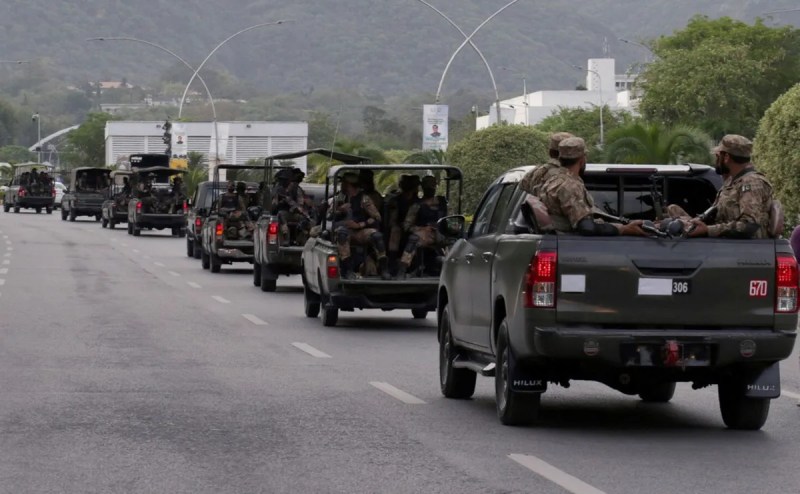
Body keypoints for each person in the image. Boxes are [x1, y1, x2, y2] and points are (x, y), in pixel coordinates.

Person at [537, 137, 646, 236]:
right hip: (571, 245)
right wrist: (623, 229)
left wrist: (619, 225)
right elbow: (587, 228)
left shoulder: (552, 180)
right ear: (582, 160)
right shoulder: (571, 185)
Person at [687, 135, 774, 239]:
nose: (716, 160)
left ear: (726, 157)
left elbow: (749, 225)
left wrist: (708, 230)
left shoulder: (751, 183)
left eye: (718, 156)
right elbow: (717, 215)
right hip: (730, 248)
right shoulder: (731, 182)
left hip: (748, 251)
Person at [333, 172, 390, 280]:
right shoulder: (339, 198)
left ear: (349, 184)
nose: (342, 186)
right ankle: (348, 270)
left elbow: (377, 217)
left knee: (377, 236)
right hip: (344, 230)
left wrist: (360, 224)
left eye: (344, 183)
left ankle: (384, 269)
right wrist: (338, 211)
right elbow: (328, 216)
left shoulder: (363, 199)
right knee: (342, 234)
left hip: (359, 231)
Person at [397, 175, 447, 278]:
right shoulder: (417, 205)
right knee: (414, 239)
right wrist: (421, 229)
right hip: (426, 235)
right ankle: (403, 269)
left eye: (432, 186)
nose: (430, 189)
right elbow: (406, 225)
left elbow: (451, 219)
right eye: (428, 187)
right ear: (423, 187)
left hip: (442, 234)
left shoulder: (442, 203)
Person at [386, 174, 421, 264]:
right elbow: (392, 220)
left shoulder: (419, 202)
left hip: (416, 228)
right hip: (399, 228)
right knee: (395, 231)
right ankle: (392, 263)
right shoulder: (395, 201)